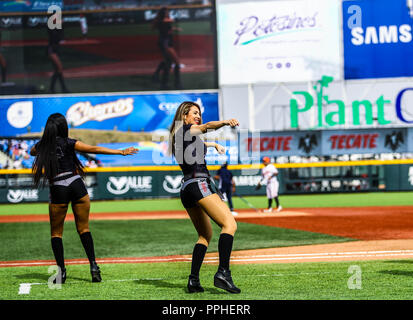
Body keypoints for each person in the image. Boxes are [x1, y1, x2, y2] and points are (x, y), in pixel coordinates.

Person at [30, 113, 138, 284]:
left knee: (56, 233)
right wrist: (120, 152)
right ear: (64, 127)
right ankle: (94, 266)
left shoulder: (43, 145)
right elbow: (94, 149)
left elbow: (31, 152)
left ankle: (61, 273)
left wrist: (46, 141)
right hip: (75, 183)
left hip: (58, 186)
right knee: (84, 229)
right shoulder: (70, 142)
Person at [168, 101, 241, 294]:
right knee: (229, 224)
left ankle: (193, 280)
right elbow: (206, 127)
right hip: (199, 183)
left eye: (199, 113)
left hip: (187, 188)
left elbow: (201, 139)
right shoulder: (188, 129)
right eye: (194, 113)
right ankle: (223, 273)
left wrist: (214, 144)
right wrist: (225, 122)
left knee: (205, 236)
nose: (198, 116)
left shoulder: (179, 134)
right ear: (184, 116)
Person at [152, 7, 183, 90]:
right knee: (176, 62)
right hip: (166, 43)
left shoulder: (162, 21)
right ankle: (177, 83)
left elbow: (167, 28)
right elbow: (167, 23)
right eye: (167, 12)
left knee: (168, 63)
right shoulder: (163, 21)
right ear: (164, 13)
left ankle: (163, 82)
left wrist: (175, 28)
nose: (168, 13)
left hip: (166, 42)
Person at [47, 18, 69, 93]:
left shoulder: (58, 30)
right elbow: (55, 37)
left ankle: (53, 89)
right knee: (59, 68)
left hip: (55, 50)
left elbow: (60, 38)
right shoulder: (52, 29)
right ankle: (62, 88)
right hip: (51, 51)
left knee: (58, 70)